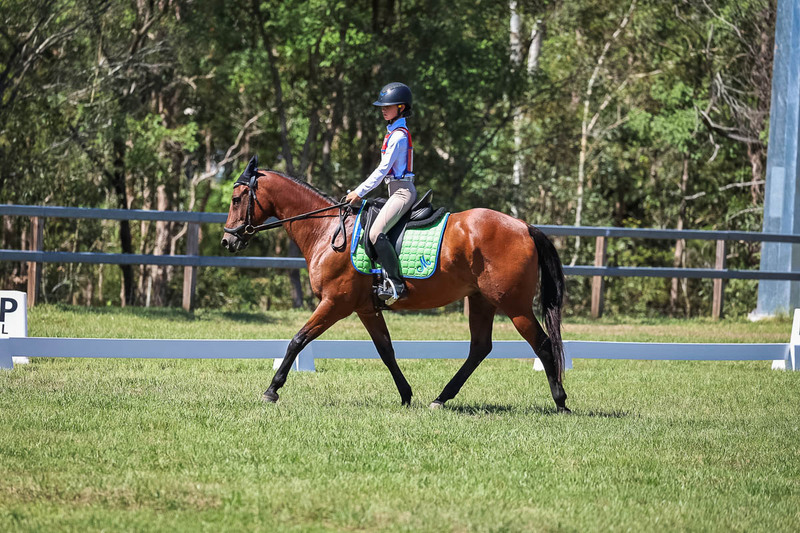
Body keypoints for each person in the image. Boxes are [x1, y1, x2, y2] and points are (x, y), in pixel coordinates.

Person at [346, 82, 417, 302]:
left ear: (401, 108)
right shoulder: (393, 132)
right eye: (382, 106)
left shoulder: (398, 136)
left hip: (402, 192)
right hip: (393, 191)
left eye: (388, 105)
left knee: (375, 233)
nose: (383, 109)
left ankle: (397, 284)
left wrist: (359, 192)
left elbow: (382, 170)